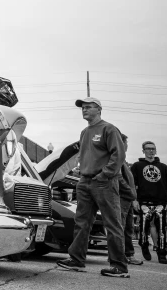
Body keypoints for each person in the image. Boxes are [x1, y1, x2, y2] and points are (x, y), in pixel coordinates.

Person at [57, 97, 129, 278]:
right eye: (82, 108)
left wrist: (104, 174)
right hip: (85, 182)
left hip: (104, 182)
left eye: (88, 107)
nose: (84, 110)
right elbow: (84, 155)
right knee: (81, 223)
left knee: (112, 223)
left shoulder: (109, 129)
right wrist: (81, 172)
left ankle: (119, 266)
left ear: (99, 109)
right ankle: (76, 260)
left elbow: (118, 155)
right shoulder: (84, 132)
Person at [130, 140, 167, 264]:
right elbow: (132, 184)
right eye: (148, 148)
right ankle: (144, 244)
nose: (151, 151)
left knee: (161, 228)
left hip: (160, 202)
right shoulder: (137, 166)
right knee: (143, 227)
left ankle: (161, 253)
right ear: (143, 151)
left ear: (156, 150)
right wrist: (134, 200)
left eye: (153, 148)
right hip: (143, 202)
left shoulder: (163, 167)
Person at [117, 135, 142, 265]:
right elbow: (119, 178)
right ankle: (118, 256)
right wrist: (130, 192)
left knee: (129, 228)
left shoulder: (124, 160)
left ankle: (129, 254)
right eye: (125, 143)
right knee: (120, 227)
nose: (127, 145)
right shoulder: (117, 158)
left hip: (128, 198)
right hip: (122, 197)